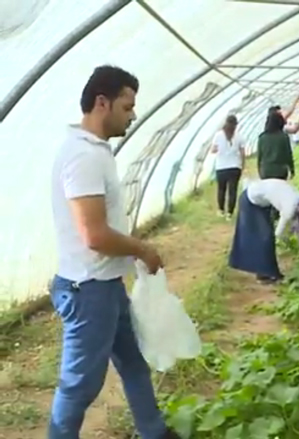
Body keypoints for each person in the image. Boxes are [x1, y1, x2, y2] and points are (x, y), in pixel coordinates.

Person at [49, 65, 180, 439]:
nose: (134, 114)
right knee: (79, 388)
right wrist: (142, 248)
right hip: (88, 289)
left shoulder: (96, 151)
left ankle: (154, 431)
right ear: (102, 103)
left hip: (106, 283)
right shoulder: (83, 157)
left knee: (134, 363)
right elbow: (94, 234)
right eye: (128, 106)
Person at [228, 178, 299, 284]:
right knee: (265, 237)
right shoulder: (290, 207)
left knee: (264, 236)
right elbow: (279, 233)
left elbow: (298, 225)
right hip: (250, 201)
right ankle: (266, 275)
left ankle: (266, 273)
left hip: (261, 202)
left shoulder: (298, 198)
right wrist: (288, 241)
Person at [210, 114, 246, 219]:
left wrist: (220, 149)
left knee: (221, 189)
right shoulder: (239, 136)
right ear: (235, 125)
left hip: (221, 167)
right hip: (235, 167)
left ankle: (221, 210)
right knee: (232, 190)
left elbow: (213, 150)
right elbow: (243, 153)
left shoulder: (218, 135)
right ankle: (230, 213)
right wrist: (242, 166)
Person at [257, 111, 295, 180]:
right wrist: (292, 170)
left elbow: (260, 156)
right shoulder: (283, 137)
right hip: (280, 171)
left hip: (266, 171)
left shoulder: (262, 137)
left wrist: (260, 170)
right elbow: (288, 155)